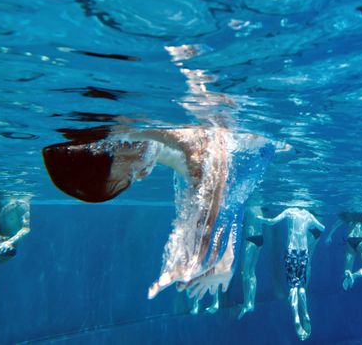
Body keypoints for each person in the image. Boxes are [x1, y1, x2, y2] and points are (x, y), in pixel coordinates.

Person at [43, 125, 275, 304]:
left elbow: (209, 153)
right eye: (132, 178)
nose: (143, 174)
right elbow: (224, 189)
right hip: (254, 147)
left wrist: (203, 251)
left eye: (131, 168)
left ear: (112, 143)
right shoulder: (153, 147)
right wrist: (224, 253)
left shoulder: (128, 125)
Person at [258, 208, 325, 341]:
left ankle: (296, 319)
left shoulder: (289, 211)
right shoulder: (308, 215)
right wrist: (310, 225)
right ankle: (305, 314)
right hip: (303, 252)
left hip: (292, 252)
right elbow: (322, 227)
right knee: (301, 286)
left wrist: (261, 219)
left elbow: (272, 222)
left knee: (293, 287)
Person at [238, 204, 265, 319]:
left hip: (250, 239)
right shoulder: (259, 207)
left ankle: (246, 303)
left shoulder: (247, 206)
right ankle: (251, 303)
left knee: (244, 273)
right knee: (252, 271)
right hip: (260, 238)